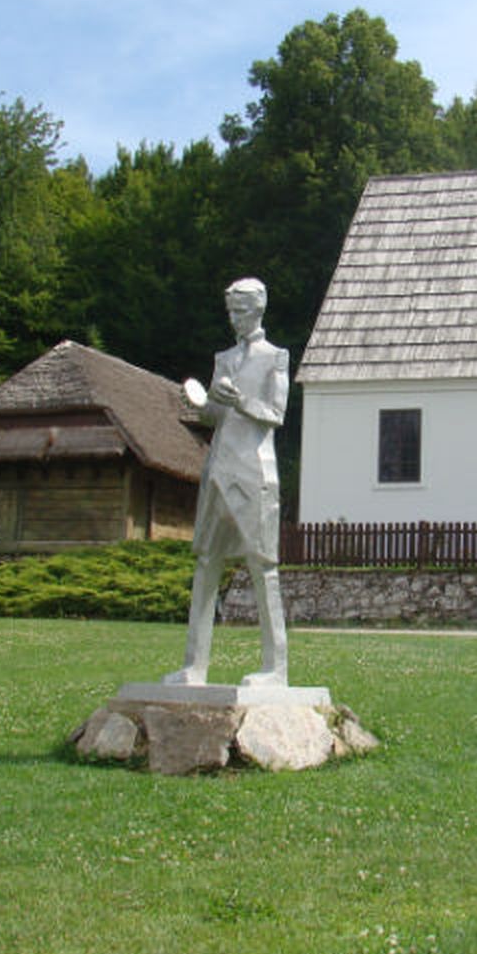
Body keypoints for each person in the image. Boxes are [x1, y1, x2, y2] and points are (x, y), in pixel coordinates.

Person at [165, 278, 290, 687]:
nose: (234, 319)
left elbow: (276, 414)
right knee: (206, 564)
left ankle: (275, 668)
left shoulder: (276, 358)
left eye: (241, 311)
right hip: (218, 468)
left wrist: (240, 401)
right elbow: (215, 416)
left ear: (259, 310)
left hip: (255, 471)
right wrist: (203, 403)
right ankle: (194, 666)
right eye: (231, 312)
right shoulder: (224, 358)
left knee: (262, 566)